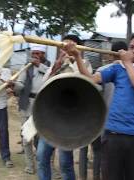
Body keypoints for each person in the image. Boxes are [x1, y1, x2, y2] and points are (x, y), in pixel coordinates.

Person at [63, 31, 134, 180]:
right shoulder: (117, 69)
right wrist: (78, 56)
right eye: (132, 47)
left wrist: (128, 63)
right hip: (112, 134)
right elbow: (90, 79)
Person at [37, 35, 91, 180]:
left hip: (69, 120)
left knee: (65, 162)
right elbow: (43, 85)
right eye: (64, 46)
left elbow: (87, 83)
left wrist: (74, 60)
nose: (66, 49)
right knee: (42, 157)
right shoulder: (57, 64)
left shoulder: (84, 63)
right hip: (50, 118)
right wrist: (58, 64)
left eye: (70, 46)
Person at [78, 41, 128, 180]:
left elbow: (92, 89)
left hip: (97, 118)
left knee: (87, 148)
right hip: (116, 122)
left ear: (112, 54)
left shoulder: (103, 70)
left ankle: (84, 177)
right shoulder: (131, 71)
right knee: (100, 152)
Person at [9, 43, 50, 174]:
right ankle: (29, 166)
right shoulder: (26, 68)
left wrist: (39, 66)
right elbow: (20, 85)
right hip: (25, 105)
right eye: (33, 54)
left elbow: (49, 76)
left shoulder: (49, 67)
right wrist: (13, 84)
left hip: (41, 107)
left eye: (38, 54)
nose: (35, 57)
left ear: (43, 55)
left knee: (40, 139)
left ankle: (42, 165)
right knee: (26, 138)